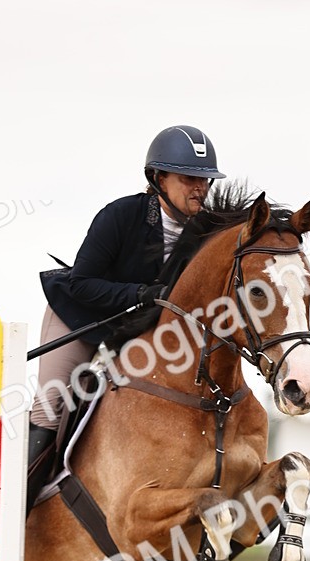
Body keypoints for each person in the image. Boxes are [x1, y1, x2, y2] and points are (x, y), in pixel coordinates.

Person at [27, 125, 226, 506]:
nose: (199, 188)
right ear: (158, 178)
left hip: (135, 331)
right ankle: (15, 508)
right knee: (52, 406)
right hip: (79, 317)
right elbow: (83, 282)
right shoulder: (121, 215)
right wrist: (138, 293)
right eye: (188, 179)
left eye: (205, 180)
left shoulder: (206, 232)